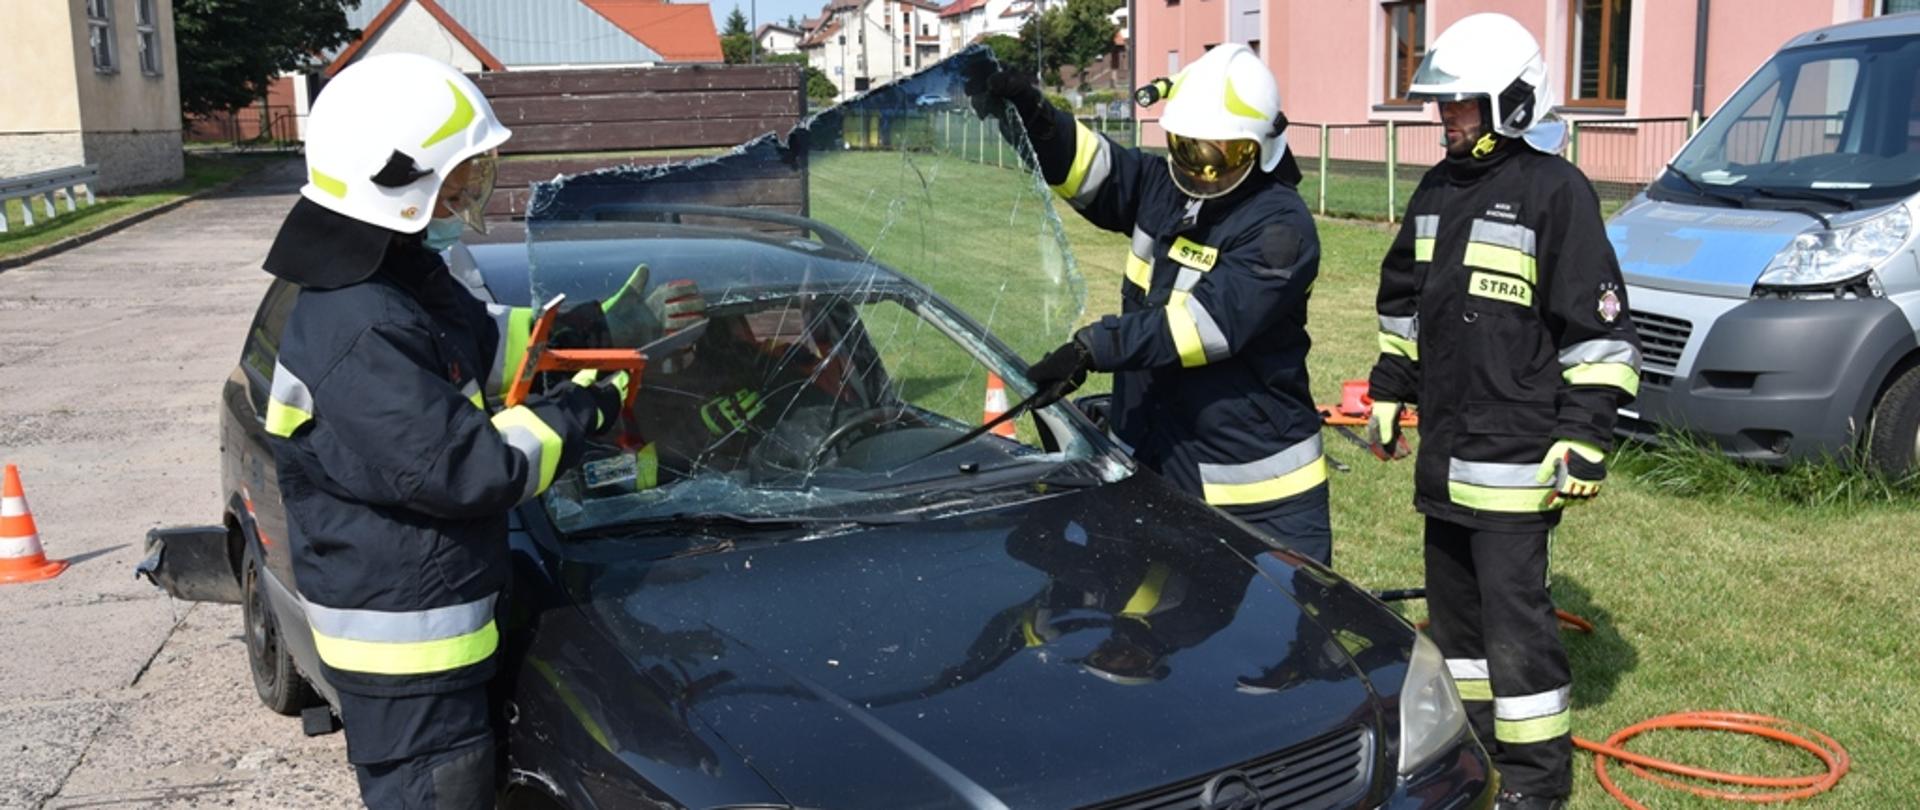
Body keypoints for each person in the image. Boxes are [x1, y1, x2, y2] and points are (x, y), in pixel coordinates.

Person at [259, 53, 630, 809]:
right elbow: (468, 467)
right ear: (395, 185)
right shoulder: (357, 329)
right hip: (407, 663)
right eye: (456, 182)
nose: (466, 196)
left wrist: (593, 331)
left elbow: (479, 343)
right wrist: (585, 411)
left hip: (441, 630)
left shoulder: (392, 280)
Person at [1364, 14, 1642, 809]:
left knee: (1516, 635)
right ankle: (1473, 753)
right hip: (1446, 462)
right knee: (1456, 635)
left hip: (1515, 462)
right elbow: (1403, 304)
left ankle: (1534, 784)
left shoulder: (1556, 193)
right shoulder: (1432, 192)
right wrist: (1390, 385)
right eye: (1442, 106)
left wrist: (1586, 437)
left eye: (1461, 105)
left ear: (1513, 104)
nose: (1444, 119)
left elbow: (1599, 337)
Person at [968, 44, 1333, 566]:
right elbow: (1089, 166)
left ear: (1262, 148)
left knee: (1279, 644)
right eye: (1187, 148)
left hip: (1256, 493)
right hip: (1157, 460)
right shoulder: (1168, 188)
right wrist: (1032, 116)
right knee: (1154, 629)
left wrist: (1094, 348)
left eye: (1220, 155)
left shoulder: (1279, 228)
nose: (1201, 169)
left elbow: (1204, 326)